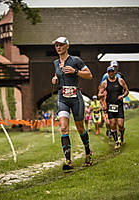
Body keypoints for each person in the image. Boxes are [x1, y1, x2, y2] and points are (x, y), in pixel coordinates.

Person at [51, 36, 93, 170]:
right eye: (56, 45)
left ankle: (88, 152)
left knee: (80, 128)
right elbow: (58, 74)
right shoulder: (56, 63)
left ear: (67, 46)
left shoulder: (75, 60)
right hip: (62, 98)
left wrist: (75, 71)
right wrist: (55, 78)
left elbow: (89, 75)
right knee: (63, 128)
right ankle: (68, 161)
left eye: (61, 45)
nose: (58, 47)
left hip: (76, 98)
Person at [98, 66, 129, 149]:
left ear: (115, 72)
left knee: (120, 124)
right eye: (109, 72)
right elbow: (99, 94)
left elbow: (127, 90)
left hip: (119, 105)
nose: (111, 73)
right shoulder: (105, 83)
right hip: (110, 106)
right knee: (112, 124)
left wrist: (123, 96)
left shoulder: (120, 81)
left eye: (112, 71)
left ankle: (121, 135)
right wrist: (103, 94)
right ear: (107, 73)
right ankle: (116, 142)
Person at [99, 61, 124, 138]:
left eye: (116, 67)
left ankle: (120, 134)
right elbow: (101, 87)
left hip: (118, 100)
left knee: (119, 122)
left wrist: (122, 95)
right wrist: (102, 98)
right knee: (111, 122)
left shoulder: (120, 76)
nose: (115, 68)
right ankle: (112, 132)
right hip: (109, 100)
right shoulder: (105, 76)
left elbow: (123, 86)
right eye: (113, 66)